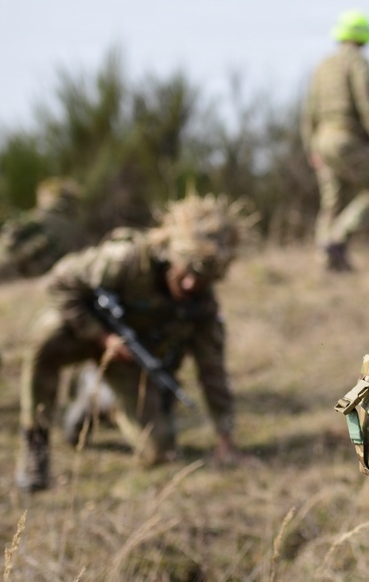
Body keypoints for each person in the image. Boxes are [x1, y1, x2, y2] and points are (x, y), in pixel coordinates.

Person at [16, 194, 254, 492]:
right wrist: (102, 336)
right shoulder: (125, 260)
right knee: (48, 332)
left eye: (202, 280)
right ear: (172, 256)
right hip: (84, 334)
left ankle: (98, 398)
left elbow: (213, 371)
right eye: (187, 273)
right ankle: (35, 444)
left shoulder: (202, 308)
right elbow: (57, 283)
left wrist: (225, 440)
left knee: (161, 451)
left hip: (127, 359)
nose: (192, 285)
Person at [301, 9, 369, 272]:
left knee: (331, 201)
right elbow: (366, 102)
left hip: (321, 141)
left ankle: (326, 259)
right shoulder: (358, 62)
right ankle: (337, 238)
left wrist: (311, 146)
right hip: (346, 139)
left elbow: (308, 110)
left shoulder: (322, 65)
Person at [0, 177, 89, 283]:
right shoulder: (77, 226)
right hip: (52, 274)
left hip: (19, 271)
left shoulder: (42, 217)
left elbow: (11, 235)